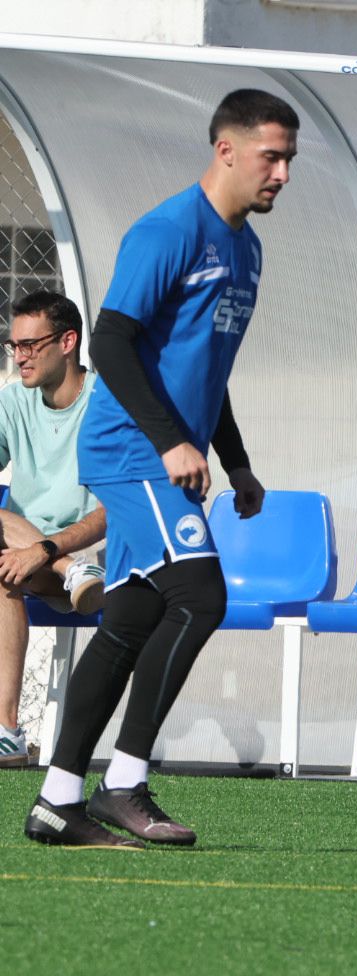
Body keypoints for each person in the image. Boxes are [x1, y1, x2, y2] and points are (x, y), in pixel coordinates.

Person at [23, 89, 296, 848]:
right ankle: (125, 783)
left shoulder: (248, 248)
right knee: (201, 595)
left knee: (134, 617)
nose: (281, 174)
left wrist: (235, 461)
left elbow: (206, 367)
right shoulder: (170, 230)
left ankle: (57, 800)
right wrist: (175, 442)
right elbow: (110, 342)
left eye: (288, 160)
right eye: (271, 156)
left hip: (168, 456)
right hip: (129, 449)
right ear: (227, 150)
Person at [0, 291, 108, 767]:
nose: (19, 356)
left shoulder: (107, 402)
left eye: (30, 345)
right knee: (6, 573)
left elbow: (115, 511)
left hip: (101, 559)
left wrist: (47, 548)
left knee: (8, 573)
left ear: (68, 341)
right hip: (50, 566)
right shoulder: (11, 400)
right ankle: (7, 733)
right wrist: (51, 559)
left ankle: (6, 731)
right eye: (13, 345)